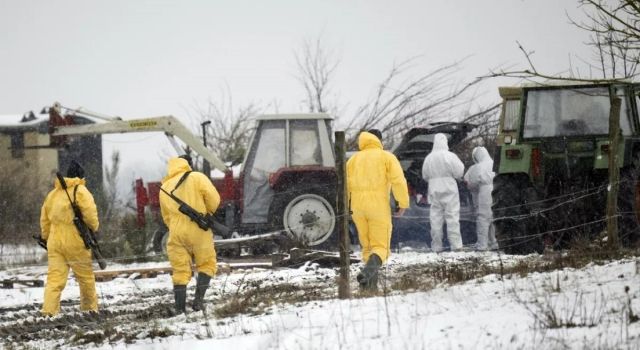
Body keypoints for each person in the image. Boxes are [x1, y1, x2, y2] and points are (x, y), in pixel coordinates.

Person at [347, 131, 409, 292]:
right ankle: (367, 273)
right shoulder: (386, 157)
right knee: (381, 248)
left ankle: (369, 287)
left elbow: (345, 186)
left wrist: (347, 208)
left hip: (357, 208)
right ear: (379, 140)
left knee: (367, 247)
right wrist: (402, 203)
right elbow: (398, 181)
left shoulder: (352, 160)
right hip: (378, 206)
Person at [159, 155, 221, 314]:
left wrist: (176, 226)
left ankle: (179, 309)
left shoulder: (164, 187)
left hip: (175, 232)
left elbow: (166, 216)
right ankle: (198, 302)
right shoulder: (197, 177)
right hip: (198, 228)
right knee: (206, 264)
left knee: (180, 270)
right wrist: (207, 213)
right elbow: (214, 200)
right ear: (187, 164)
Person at [40, 160, 100, 316]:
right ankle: (89, 310)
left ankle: (49, 311)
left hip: (54, 241)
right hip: (76, 239)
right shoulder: (81, 191)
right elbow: (91, 216)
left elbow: (45, 221)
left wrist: (46, 238)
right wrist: (94, 229)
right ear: (80, 176)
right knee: (85, 278)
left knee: (54, 279)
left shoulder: (52, 194)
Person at [422, 133, 465, 252]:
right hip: (449, 188)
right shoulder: (450, 156)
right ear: (445, 142)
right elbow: (459, 172)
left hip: (434, 189)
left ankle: (436, 247)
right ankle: (456, 246)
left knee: (435, 219)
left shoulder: (429, 158)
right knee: (452, 218)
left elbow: (425, 175)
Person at [464, 146, 498, 251]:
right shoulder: (495, 163)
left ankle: (482, 244)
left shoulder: (478, 167)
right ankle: (493, 242)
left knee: (483, 218)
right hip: (497, 190)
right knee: (492, 218)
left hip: (484, 192)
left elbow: (471, 183)